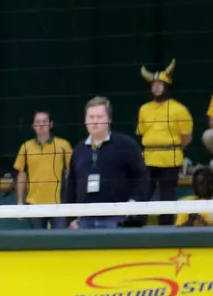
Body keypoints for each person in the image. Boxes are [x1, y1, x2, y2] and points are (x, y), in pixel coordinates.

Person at [64, 97, 150, 229]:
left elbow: (142, 177)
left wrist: (133, 205)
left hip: (117, 219)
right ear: (85, 120)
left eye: (99, 117)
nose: (95, 121)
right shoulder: (79, 150)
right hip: (84, 221)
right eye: (91, 117)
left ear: (109, 119)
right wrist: (71, 218)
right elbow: (71, 186)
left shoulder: (126, 145)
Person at [134, 62, 190, 225]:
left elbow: (186, 137)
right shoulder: (144, 109)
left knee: (167, 196)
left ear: (167, 86)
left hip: (170, 159)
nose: (157, 87)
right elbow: (142, 132)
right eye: (154, 84)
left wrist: (172, 148)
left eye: (160, 84)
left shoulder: (179, 109)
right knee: (143, 193)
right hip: (149, 158)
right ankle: (137, 226)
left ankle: (165, 229)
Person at [14, 110, 74, 229]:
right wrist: (20, 202)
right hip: (34, 204)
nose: (41, 125)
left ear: (50, 124)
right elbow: (22, 176)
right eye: (38, 122)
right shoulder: (26, 147)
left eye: (44, 121)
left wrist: (71, 202)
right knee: (38, 241)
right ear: (33, 126)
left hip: (58, 205)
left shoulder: (63, 145)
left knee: (60, 240)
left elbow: (71, 174)